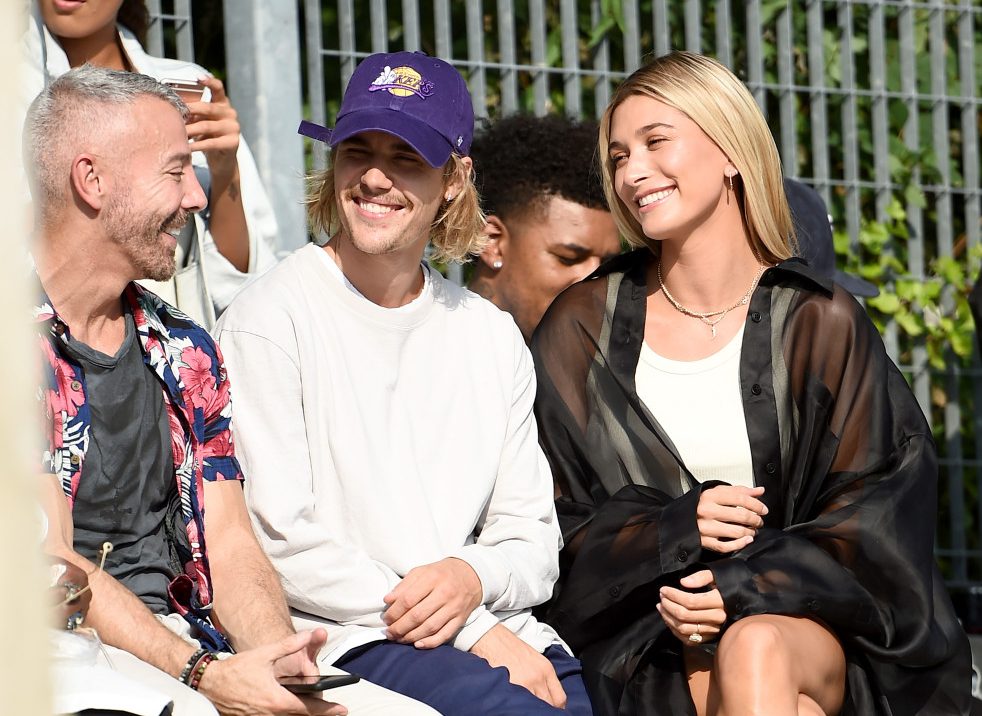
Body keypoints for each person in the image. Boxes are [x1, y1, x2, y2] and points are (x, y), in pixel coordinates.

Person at [531, 51, 970, 715]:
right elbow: (552, 523)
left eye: (656, 142)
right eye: (619, 155)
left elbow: (876, 518)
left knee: (755, 645)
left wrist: (744, 582)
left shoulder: (822, 321)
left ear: (730, 150)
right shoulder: (580, 325)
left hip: (805, 623)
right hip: (642, 638)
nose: (632, 172)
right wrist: (676, 526)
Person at [27, 64, 431, 715]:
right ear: (91, 180)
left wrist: (280, 663)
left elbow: (229, 539)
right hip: (66, 657)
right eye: (175, 170)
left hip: (191, 648)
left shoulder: (187, 347)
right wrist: (205, 674)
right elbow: (51, 562)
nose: (196, 197)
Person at [215, 51, 593, 715]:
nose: (375, 178)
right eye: (356, 150)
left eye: (408, 157)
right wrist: (473, 625)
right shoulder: (266, 321)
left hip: (497, 630)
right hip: (347, 638)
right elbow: (284, 543)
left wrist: (472, 580)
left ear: (455, 178)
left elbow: (533, 537)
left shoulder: (486, 334)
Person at [20, 0, 278, 328]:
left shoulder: (189, 89)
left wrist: (225, 173)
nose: (194, 197)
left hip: (170, 361)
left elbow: (242, 284)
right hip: (48, 350)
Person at [467, 115, 621, 342]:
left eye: (607, 265)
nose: (595, 285)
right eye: (568, 258)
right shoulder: (431, 360)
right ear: (493, 242)